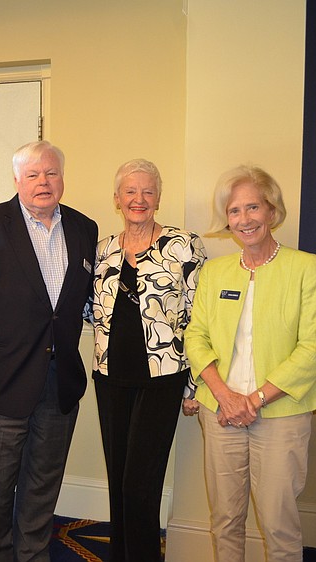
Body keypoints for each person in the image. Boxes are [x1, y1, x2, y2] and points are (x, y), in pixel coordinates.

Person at [0, 140, 98, 562]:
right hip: (1, 383)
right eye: (33, 174)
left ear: (62, 178)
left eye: (51, 173)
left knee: (41, 491)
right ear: (17, 179)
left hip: (60, 383)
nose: (43, 182)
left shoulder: (84, 228)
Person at [183, 165, 316, 562]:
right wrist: (225, 396)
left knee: (279, 525)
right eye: (234, 211)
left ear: (272, 210)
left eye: (253, 207)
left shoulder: (307, 268)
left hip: (281, 414)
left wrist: (253, 400)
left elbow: (311, 350)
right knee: (225, 520)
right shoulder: (214, 272)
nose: (244, 219)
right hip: (221, 413)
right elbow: (195, 337)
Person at [89, 159, 206, 562]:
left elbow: (199, 318)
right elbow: (91, 310)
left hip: (162, 379)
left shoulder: (183, 245)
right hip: (110, 378)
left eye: (147, 191)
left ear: (158, 198)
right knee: (119, 484)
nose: (138, 199)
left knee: (141, 486)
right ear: (117, 198)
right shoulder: (103, 249)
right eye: (130, 191)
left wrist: (195, 385)